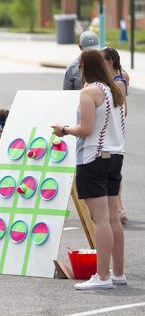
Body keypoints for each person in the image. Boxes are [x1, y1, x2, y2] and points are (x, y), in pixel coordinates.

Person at [52, 49, 126, 290]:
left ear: (85, 67)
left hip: (93, 157)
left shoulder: (90, 92)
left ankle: (102, 276)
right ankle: (118, 273)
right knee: (113, 217)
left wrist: (63, 129)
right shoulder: (116, 89)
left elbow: (85, 129)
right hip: (115, 156)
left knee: (101, 218)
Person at [103, 46, 129, 224]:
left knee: (112, 172)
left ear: (110, 61)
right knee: (110, 172)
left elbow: (123, 109)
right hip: (108, 132)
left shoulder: (118, 81)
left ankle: (119, 209)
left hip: (114, 133)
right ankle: (116, 209)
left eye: (102, 60)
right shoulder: (110, 80)